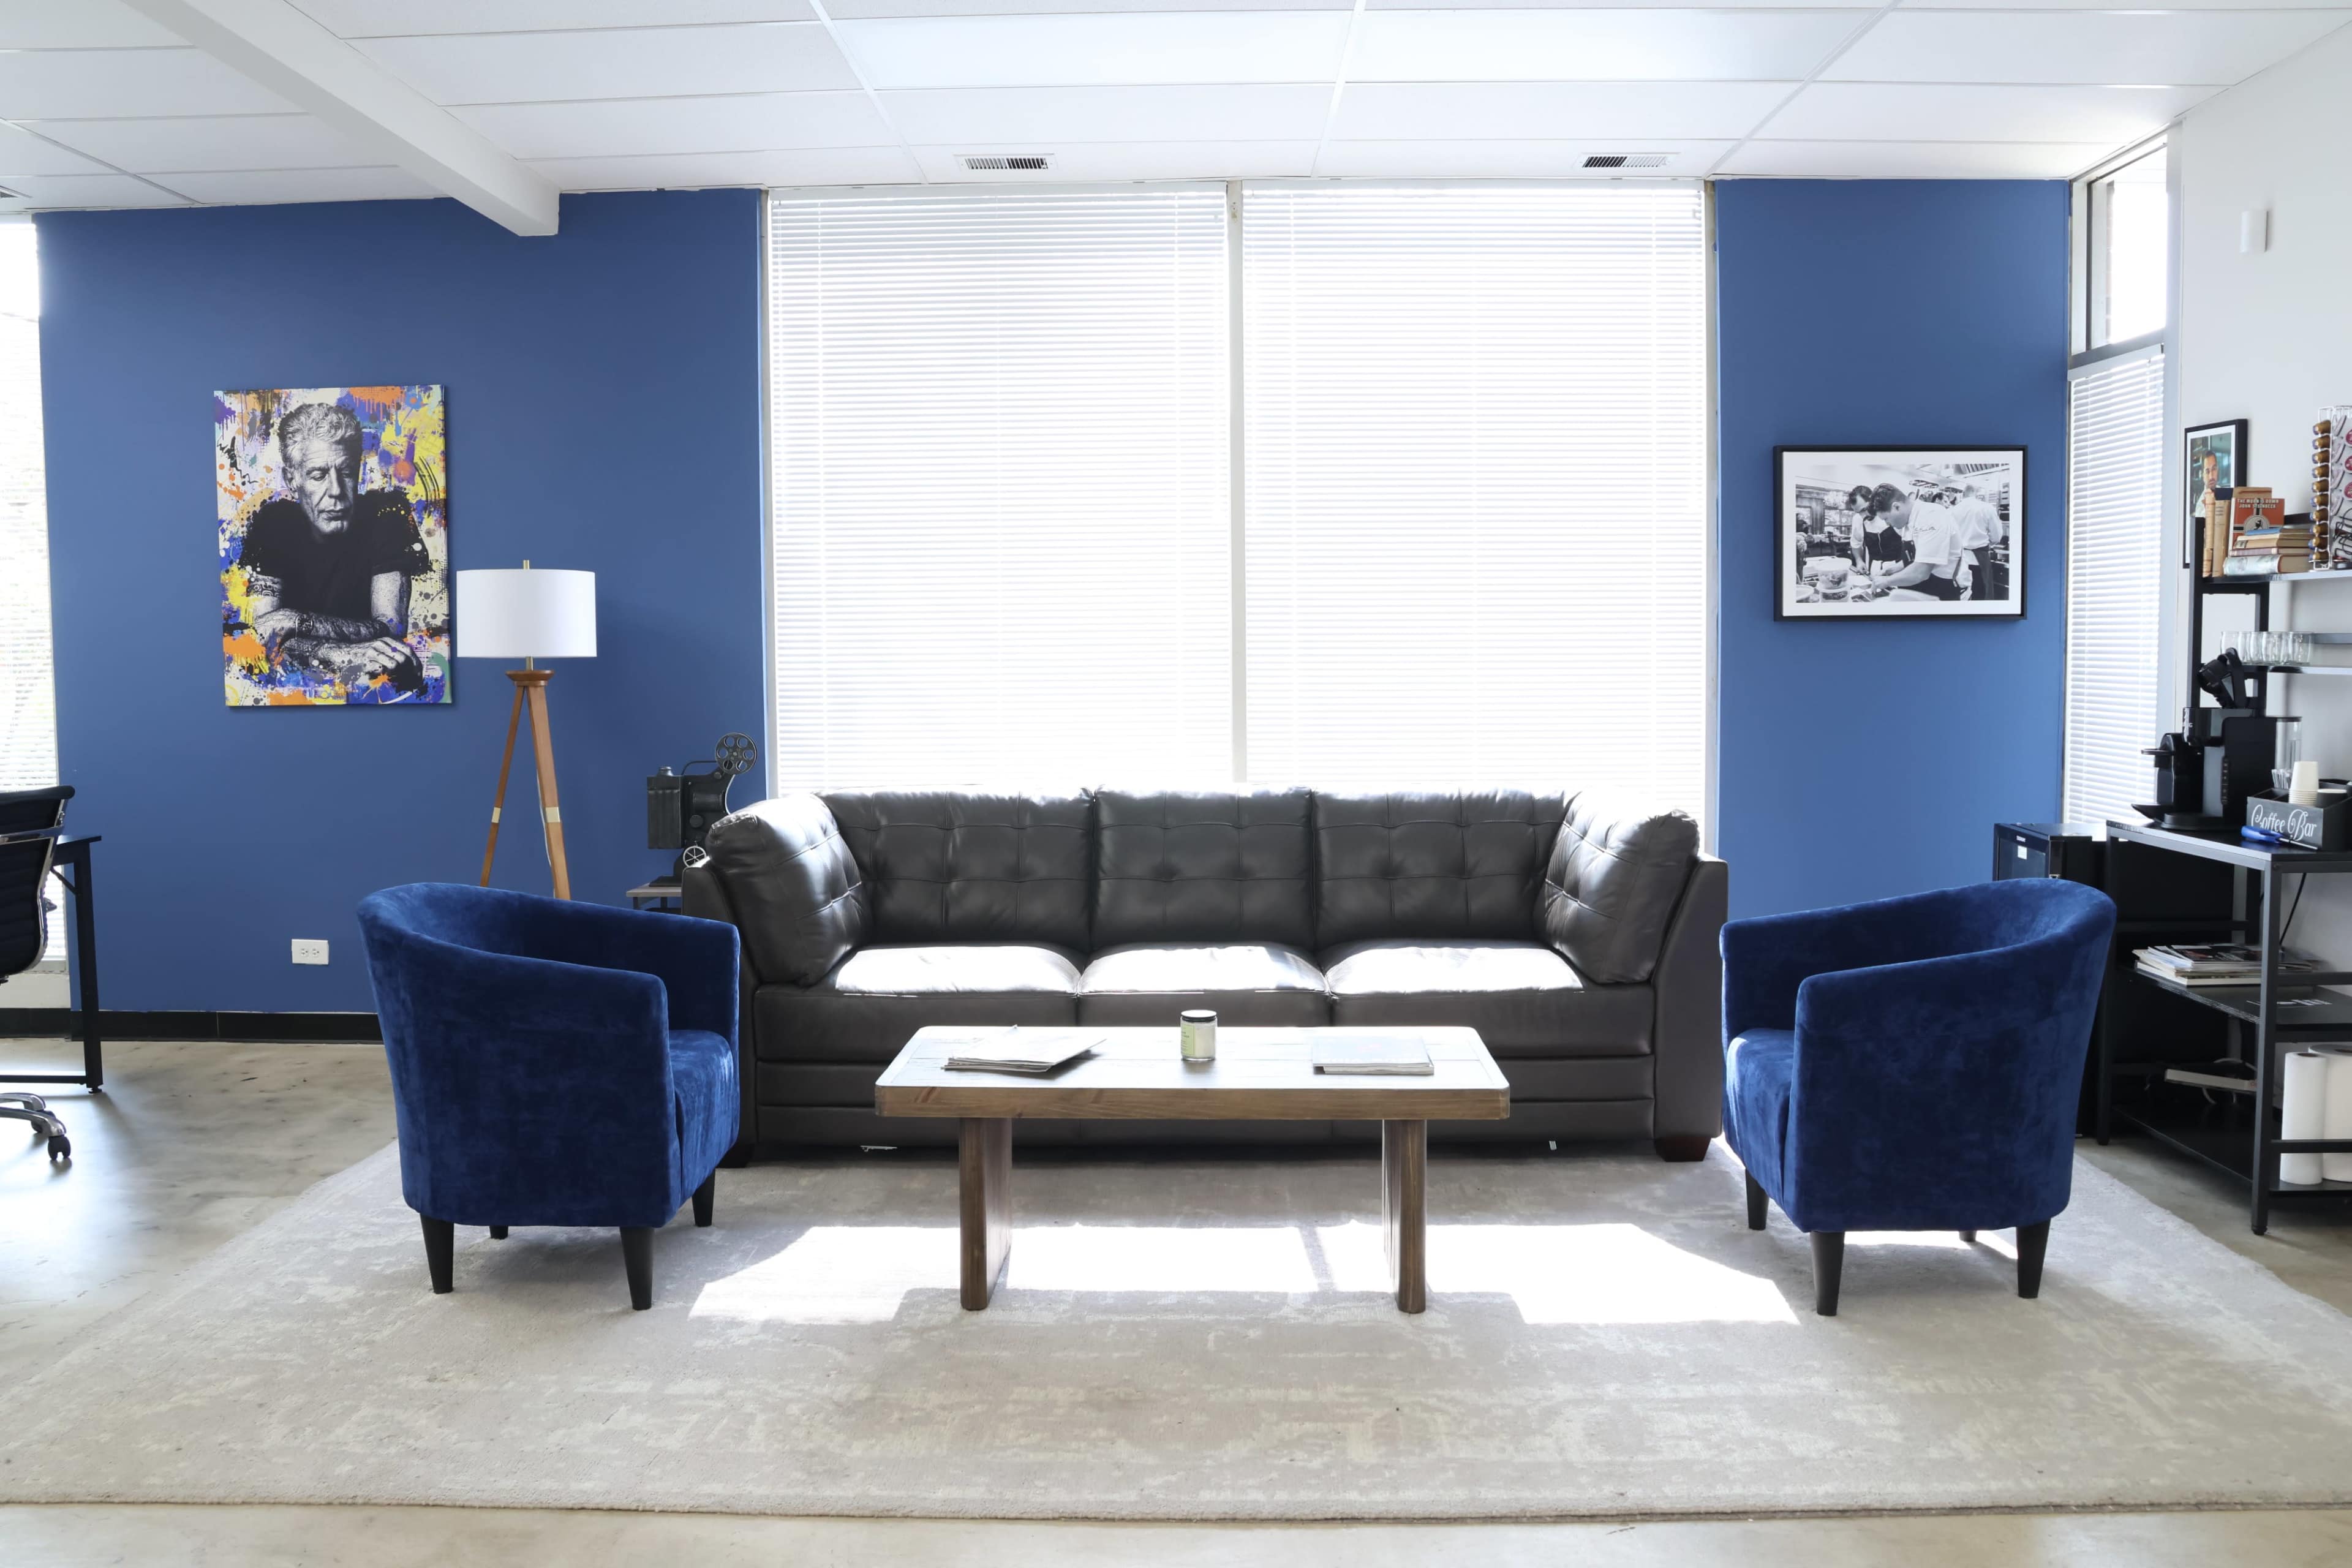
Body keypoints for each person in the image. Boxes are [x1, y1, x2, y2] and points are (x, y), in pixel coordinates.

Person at [238, 402, 429, 692]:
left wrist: (297, 621)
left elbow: (391, 629)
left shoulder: (388, 514)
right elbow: (261, 634)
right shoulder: (272, 523)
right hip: (287, 689)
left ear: (359, 471)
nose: (337, 491)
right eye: (318, 475)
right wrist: (340, 653)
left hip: (371, 688)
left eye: (347, 472)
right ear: (293, 480)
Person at [1868, 483, 1966, 600]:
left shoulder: (1933, 516)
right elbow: (1914, 558)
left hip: (1943, 589)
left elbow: (1921, 571)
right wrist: (1889, 570)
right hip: (1924, 585)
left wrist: (1887, 581)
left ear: (1897, 507)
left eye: (1886, 519)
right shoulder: (1908, 521)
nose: (1887, 524)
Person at [1951, 483, 2005, 601]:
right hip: (1979, 559)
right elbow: (1997, 535)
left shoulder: (1953, 510)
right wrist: (1990, 544)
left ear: (1963, 494)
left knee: (1961, 596)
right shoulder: (1987, 508)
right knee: (1981, 595)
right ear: (1976, 494)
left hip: (1959, 561)